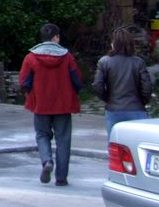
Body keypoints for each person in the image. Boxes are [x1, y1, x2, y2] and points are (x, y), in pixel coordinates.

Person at [19, 23, 83, 187]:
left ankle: (47, 160)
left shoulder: (31, 57)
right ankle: (61, 178)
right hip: (63, 105)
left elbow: (24, 82)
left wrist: (32, 93)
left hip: (41, 104)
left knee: (42, 135)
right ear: (55, 38)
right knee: (63, 140)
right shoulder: (67, 57)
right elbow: (77, 80)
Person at [92, 26, 153, 137]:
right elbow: (147, 87)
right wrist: (142, 101)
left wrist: (108, 99)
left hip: (114, 109)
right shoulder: (138, 62)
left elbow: (97, 85)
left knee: (115, 146)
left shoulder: (104, 62)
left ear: (113, 43)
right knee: (138, 144)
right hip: (136, 108)